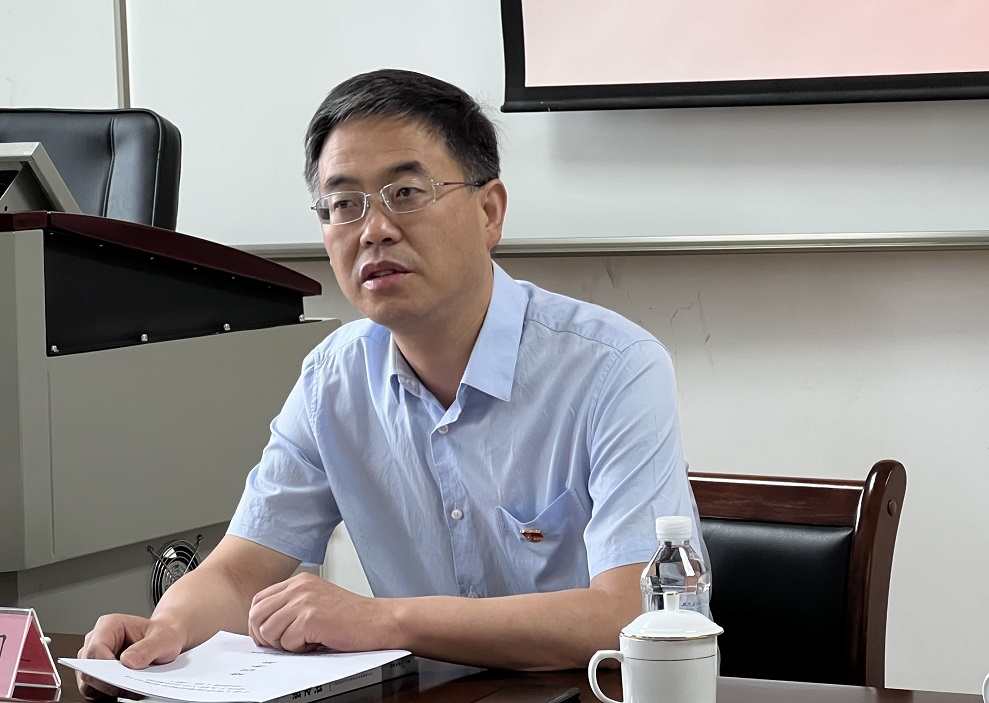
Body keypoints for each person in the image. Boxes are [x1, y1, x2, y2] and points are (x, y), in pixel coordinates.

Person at [77, 68, 706, 696]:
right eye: (344, 204)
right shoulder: (332, 379)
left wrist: (383, 620)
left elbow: (629, 614)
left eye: (405, 192)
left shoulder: (614, 368)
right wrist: (167, 628)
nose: (373, 229)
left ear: (489, 211)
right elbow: (240, 573)